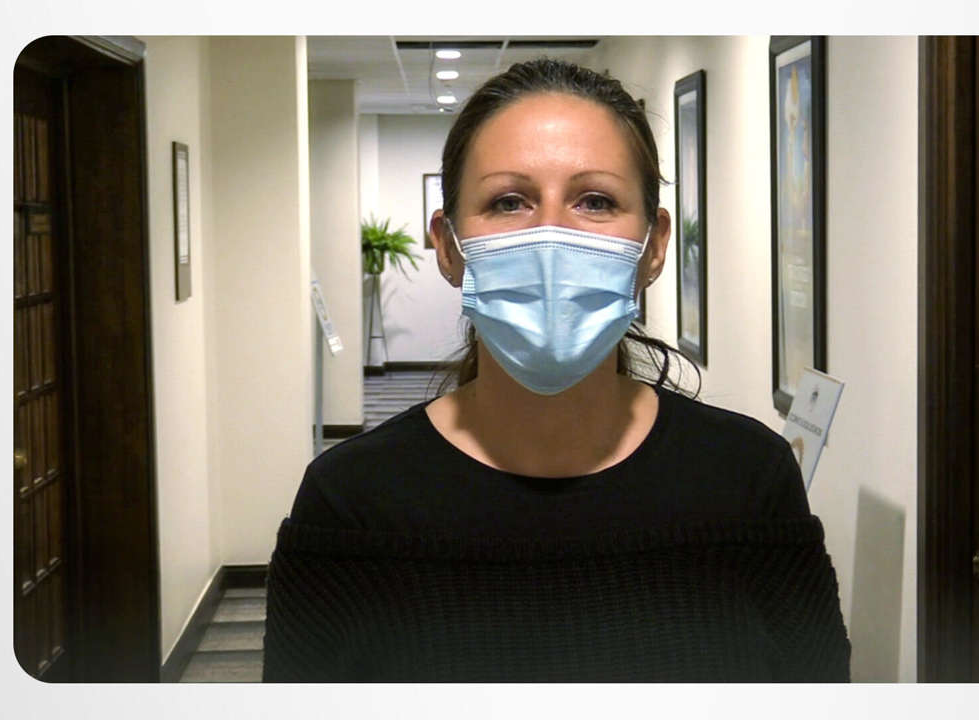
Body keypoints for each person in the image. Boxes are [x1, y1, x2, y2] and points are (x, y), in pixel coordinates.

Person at [262, 58, 849, 682]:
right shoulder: (351, 503)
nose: (550, 238)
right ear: (448, 245)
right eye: (508, 202)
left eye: (595, 201)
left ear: (654, 246)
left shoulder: (748, 482)